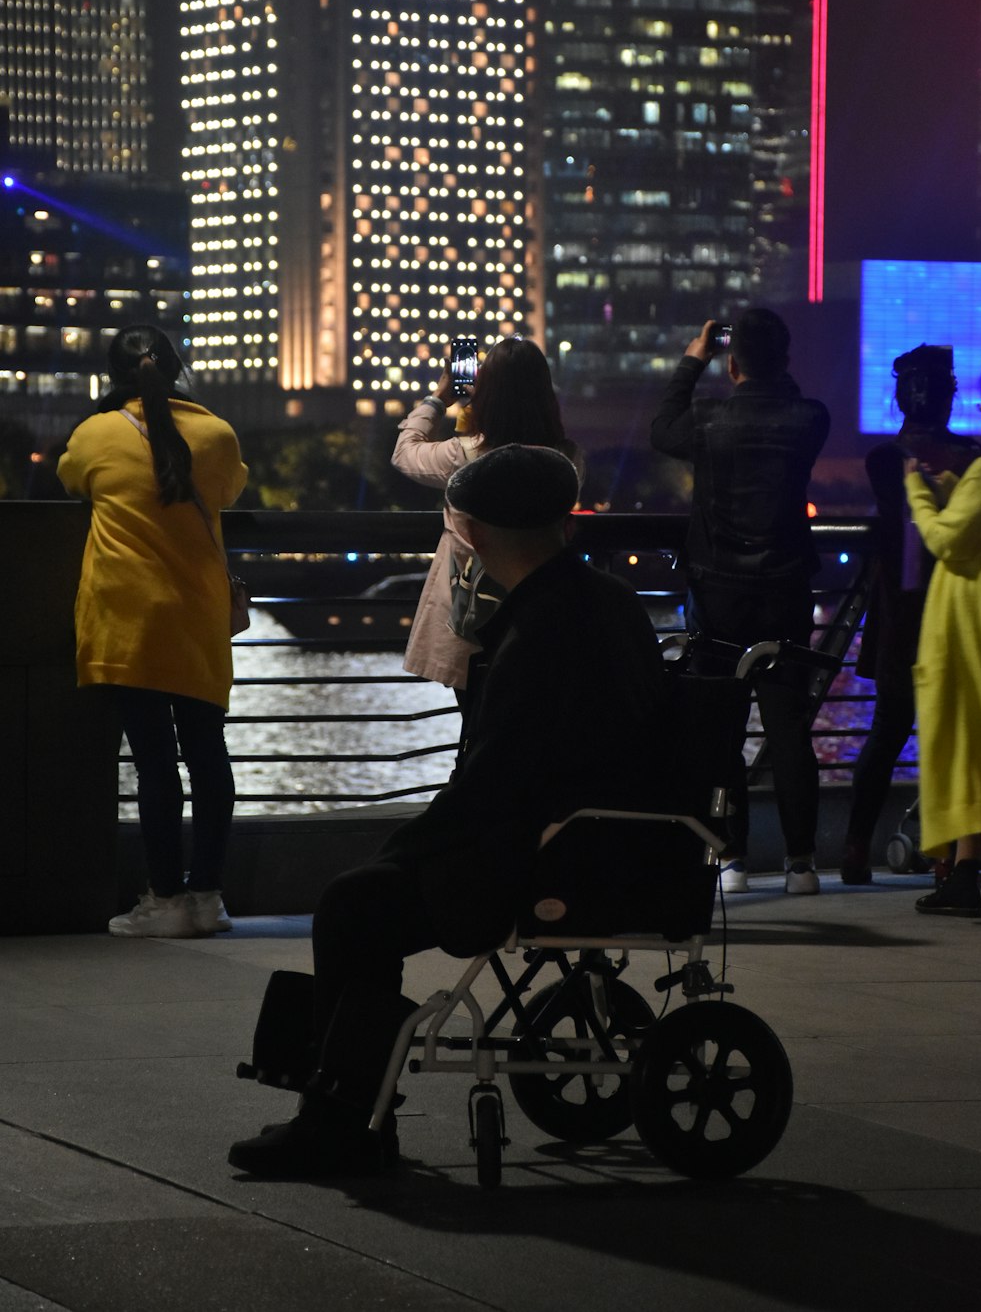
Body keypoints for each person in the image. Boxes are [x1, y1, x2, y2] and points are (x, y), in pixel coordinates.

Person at [228, 443, 671, 1179]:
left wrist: (410, 845)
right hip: (606, 837)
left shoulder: (531, 635)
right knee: (371, 893)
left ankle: (341, 1116)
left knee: (353, 905)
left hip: (545, 852)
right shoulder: (608, 605)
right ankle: (347, 1102)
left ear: (471, 534)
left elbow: (496, 783)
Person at [58, 325, 248, 939]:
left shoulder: (96, 433)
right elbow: (231, 487)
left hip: (127, 618)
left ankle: (164, 900)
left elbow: (71, 480)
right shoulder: (217, 434)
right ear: (177, 368)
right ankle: (207, 897)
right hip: (196, 618)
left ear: (115, 376)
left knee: (154, 764)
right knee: (209, 755)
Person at [650, 307, 830, 895]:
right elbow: (791, 399)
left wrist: (692, 360)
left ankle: (730, 857)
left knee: (720, 727)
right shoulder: (811, 419)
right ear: (786, 359)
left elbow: (662, 428)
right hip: (785, 590)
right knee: (789, 727)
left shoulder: (708, 423)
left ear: (731, 363)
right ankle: (801, 863)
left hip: (718, 593)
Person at [842, 345, 981, 884]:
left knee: (887, 731)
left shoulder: (884, 460)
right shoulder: (970, 459)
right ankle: (948, 856)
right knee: (948, 738)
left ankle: (857, 847)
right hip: (951, 608)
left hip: (900, 612)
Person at [391, 336, 582, 697]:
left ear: (486, 391)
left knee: (478, 729)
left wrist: (439, 398)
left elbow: (406, 452)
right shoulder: (567, 460)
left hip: (471, 624)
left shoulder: (462, 456)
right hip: (546, 615)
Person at [903, 358, 981, 917]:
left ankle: (963, 873)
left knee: (968, 745)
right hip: (979, 628)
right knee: (977, 748)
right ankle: (964, 871)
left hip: (970, 631)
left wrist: (919, 491)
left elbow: (950, 538)